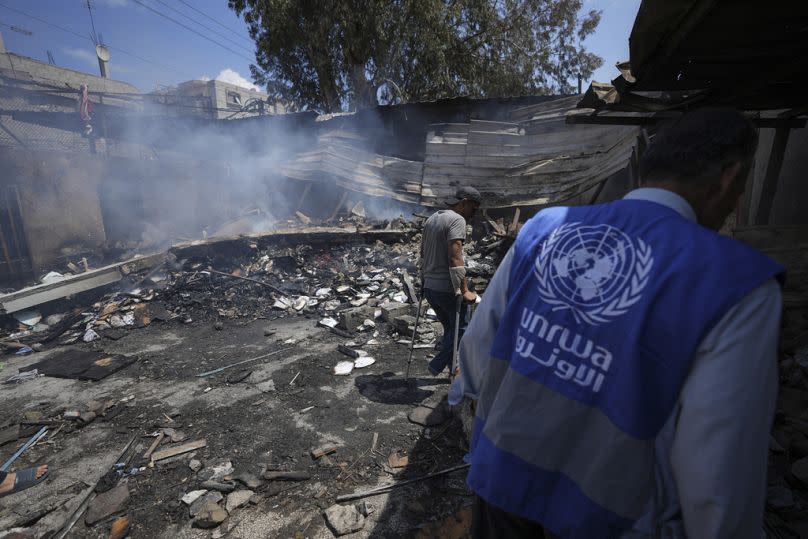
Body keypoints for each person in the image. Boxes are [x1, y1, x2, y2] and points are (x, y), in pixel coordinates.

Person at [454, 109, 784, 539]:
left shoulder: (545, 229)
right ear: (730, 176)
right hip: (609, 522)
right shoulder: (736, 283)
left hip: (500, 490)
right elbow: (717, 481)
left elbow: (478, 352)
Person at [419, 186, 481, 376]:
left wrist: (422, 281)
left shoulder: (432, 218)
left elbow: (421, 254)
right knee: (464, 328)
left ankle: (452, 367)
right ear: (464, 203)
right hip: (446, 288)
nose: (474, 213)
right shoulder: (457, 220)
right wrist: (464, 290)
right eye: (474, 208)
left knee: (450, 328)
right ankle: (437, 364)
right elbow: (455, 259)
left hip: (430, 286)